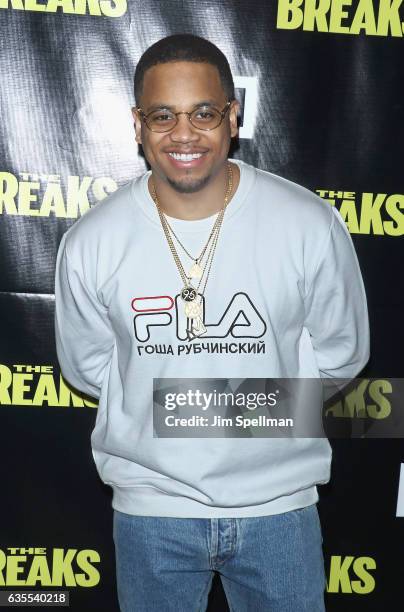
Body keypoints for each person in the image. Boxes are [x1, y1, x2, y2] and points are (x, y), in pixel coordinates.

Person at [54, 33, 370, 612]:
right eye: (163, 115)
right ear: (137, 123)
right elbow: (92, 366)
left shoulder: (306, 223)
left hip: (279, 507)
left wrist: (231, 417)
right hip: (152, 511)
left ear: (233, 114)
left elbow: (341, 353)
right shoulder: (92, 241)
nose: (184, 134)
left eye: (204, 113)